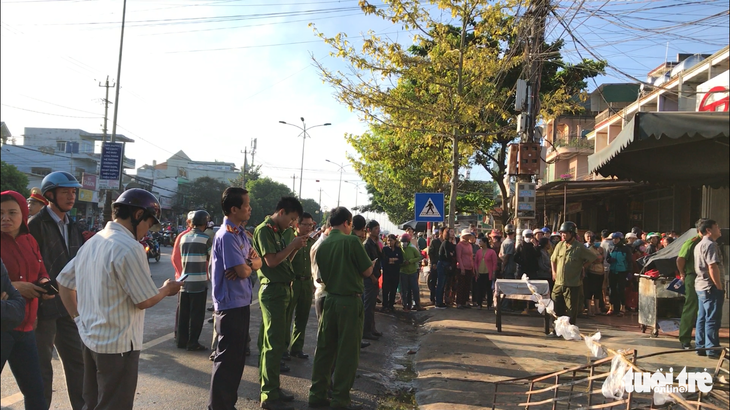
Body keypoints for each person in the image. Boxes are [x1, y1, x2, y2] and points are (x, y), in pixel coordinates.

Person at [56, 188, 183, 410]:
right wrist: (166, 289)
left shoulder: (94, 241)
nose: (146, 231)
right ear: (137, 215)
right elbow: (144, 300)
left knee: (92, 402)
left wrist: (77, 318)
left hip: (90, 340)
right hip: (119, 346)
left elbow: (64, 283)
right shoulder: (130, 247)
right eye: (148, 223)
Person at [27, 171, 86, 410]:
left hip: (68, 304)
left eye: (73, 192)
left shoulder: (74, 225)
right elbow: (32, 264)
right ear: (50, 194)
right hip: (42, 306)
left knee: (78, 362)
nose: (71, 197)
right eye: (65, 192)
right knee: (42, 367)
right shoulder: (36, 224)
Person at [308, 207, 374, 409]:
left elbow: (320, 276)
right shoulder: (352, 241)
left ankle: (317, 394)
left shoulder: (323, 244)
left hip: (329, 300)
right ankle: (340, 399)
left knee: (325, 351)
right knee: (347, 353)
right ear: (347, 222)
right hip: (349, 302)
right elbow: (367, 270)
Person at [208, 187, 260, 410]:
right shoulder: (227, 236)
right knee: (227, 361)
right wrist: (246, 266)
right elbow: (241, 271)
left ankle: (228, 404)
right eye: (246, 205)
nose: (249, 209)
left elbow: (257, 264)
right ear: (234, 209)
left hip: (241, 303)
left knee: (237, 361)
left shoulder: (240, 234)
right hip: (230, 306)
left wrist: (247, 264)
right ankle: (219, 406)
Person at [252, 196, 306, 410]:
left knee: (274, 344)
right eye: (292, 219)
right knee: (272, 344)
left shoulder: (276, 232)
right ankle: (269, 394)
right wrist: (292, 243)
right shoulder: (265, 230)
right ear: (281, 212)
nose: (292, 224)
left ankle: (272, 387)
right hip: (273, 290)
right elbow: (272, 261)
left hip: (282, 289)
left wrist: (294, 248)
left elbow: (282, 260)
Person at [2, 191, 51, 409]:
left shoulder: (30, 240)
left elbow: (41, 269)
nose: (5, 218)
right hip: (2, 327)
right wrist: (15, 287)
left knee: (35, 392)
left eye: (12, 212)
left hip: (26, 329)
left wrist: (43, 282)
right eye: (0, 213)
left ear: (23, 213)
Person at [176, 210, 213, 351]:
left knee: (184, 314)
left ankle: (181, 341)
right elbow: (211, 258)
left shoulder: (183, 238)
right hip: (199, 281)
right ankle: (193, 342)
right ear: (205, 223)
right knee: (196, 315)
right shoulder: (205, 239)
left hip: (184, 281)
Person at [550, 221, 596, 326]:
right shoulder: (559, 245)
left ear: (572, 233)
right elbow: (553, 259)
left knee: (571, 310)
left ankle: (569, 330)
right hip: (558, 283)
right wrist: (554, 272)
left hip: (572, 284)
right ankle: (557, 329)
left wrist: (583, 267)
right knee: (556, 307)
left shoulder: (579, 247)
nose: (562, 235)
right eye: (561, 233)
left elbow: (593, 257)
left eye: (565, 233)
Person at [286, 212, 316, 360]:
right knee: (287, 317)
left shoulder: (312, 242)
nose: (309, 227)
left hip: (307, 282)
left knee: (302, 317)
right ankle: (283, 349)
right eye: (306, 224)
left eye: (311, 225)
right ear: (298, 224)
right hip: (293, 281)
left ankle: (297, 347)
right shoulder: (291, 240)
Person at [693, 219, 725, 359]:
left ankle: (701, 346)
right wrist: (718, 286)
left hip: (701, 286)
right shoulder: (710, 244)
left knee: (702, 317)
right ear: (708, 230)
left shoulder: (699, 244)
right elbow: (712, 266)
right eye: (717, 226)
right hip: (710, 286)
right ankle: (712, 349)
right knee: (712, 318)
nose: (719, 229)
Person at [676, 219, 704, 350]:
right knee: (691, 307)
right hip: (692, 277)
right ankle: (685, 338)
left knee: (703, 310)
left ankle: (702, 339)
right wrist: (682, 274)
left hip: (705, 279)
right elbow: (680, 259)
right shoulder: (692, 242)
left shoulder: (711, 243)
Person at [362, 220, 383, 339]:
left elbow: (380, 258)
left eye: (378, 228)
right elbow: (367, 263)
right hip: (370, 279)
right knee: (368, 306)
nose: (378, 231)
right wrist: (373, 277)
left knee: (372, 305)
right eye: (375, 228)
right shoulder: (366, 245)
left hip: (375, 277)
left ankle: (372, 328)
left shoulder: (374, 243)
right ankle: (366, 331)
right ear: (369, 230)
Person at [606, 232, 632, 317]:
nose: (615, 240)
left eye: (616, 238)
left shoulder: (626, 249)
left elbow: (629, 261)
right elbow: (607, 258)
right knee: (611, 290)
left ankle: (622, 308)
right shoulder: (611, 248)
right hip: (613, 271)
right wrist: (610, 260)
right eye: (613, 238)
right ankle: (612, 308)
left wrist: (629, 272)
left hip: (622, 272)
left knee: (620, 290)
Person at [515, 229, 539, 314]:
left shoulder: (533, 246)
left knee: (533, 289)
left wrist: (535, 245)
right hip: (523, 271)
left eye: (530, 236)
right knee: (523, 289)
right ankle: (522, 306)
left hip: (532, 271)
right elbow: (515, 258)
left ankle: (532, 306)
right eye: (527, 236)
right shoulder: (520, 246)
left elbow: (538, 255)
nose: (529, 238)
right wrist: (522, 262)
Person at [399, 233, 424, 312]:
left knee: (415, 289)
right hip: (403, 272)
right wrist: (403, 263)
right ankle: (405, 305)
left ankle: (417, 305)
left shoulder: (412, 248)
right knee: (404, 290)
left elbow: (420, 257)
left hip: (413, 272)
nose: (404, 243)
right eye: (402, 241)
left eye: (405, 241)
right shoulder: (399, 249)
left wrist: (410, 261)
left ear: (408, 241)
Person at [584, 235, 606, 316]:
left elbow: (602, 258)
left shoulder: (600, 249)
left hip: (600, 272)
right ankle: (589, 310)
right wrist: (598, 259)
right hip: (592, 273)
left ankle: (597, 309)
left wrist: (601, 255)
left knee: (598, 291)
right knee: (589, 292)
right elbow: (595, 259)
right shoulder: (589, 250)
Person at [473, 236, 497, 309]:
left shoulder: (492, 252)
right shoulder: (478, 252)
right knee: (479, 289)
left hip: (488, 273)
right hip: (480, 272)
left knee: (489, 289)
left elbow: (494, 263)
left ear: (485, 242)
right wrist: (476, 271)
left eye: (481, 241)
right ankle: (479, 304)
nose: (479, 243)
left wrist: (493, 272)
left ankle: (489, 304)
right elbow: (475, 262)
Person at [381, 234, 403, 313]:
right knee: (386, 289)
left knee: (393, 289)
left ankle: (391, 305)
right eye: (388, 240)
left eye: (391, 240)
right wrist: (393, 260)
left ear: (395, 241)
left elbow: (400, 260)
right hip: (387, 272)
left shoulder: (398, 249)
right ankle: (385, 305)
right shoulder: (385, 249)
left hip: (395, 272)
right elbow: (384, 260)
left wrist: (391, 260)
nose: (389, 242)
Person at [435, 228, 456, 308]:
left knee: (444, 284)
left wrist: (452, 254)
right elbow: (448, 255)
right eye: (451, 232)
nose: (453, 233)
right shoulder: (445, 243)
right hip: (443, 265)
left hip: (447, 265)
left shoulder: (451, 243)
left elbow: (453, 254)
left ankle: (441, 301)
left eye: (453, 232)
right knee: (440, 284)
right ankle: (438, 302)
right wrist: (451, 254)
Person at [455, 229, 475, 309]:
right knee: (461, 285)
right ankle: (459, 302)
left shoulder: (470, 245)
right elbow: (459, 257)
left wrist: (473, 268)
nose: (467, 237)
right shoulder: (459, 245)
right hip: (462, 267)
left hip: (469, 267)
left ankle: (466, 301)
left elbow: (471, 256)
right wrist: (462, 268)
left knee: (467, 285)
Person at [427, 229, 442, 304]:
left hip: (443, 265)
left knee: (441, 283)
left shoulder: (447, 242)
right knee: (433, 282)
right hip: (435, 264)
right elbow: (430, 253)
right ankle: (433, 298)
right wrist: (433, 263)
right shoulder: (434, 242)